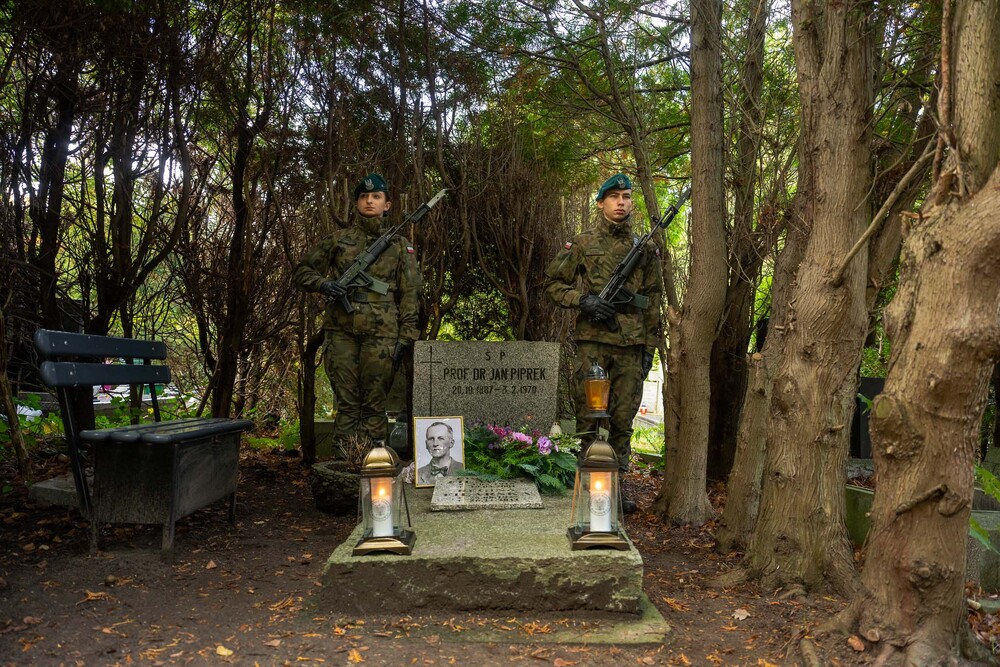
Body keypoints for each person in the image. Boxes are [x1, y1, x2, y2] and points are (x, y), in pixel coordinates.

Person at [543, 173, 663, 513]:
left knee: (623, 422)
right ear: (601, 203)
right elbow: (552, 285)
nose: (621, 202)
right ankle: (588, 485)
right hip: (592, 344)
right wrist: (583, 301)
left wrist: (649, 351)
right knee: (589, 419)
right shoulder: (582, 243)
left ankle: (617, 487)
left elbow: (652, 301)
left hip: (631, 346)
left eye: (626, 196)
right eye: (614, 197)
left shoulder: (647, 248)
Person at [293, 173, 422, 446]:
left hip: (383, 334)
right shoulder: (339, 240)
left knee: (375, 406)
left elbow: (410, 294)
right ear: (356, 203)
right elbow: (303, 272)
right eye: (364, 197)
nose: (370, 201)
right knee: (347, 405)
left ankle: (375, 474)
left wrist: (407, 337)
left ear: (387, 204)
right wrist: (324, 284)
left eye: (376, 197)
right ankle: (346, 472)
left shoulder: (400, 246)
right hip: (341, 331)